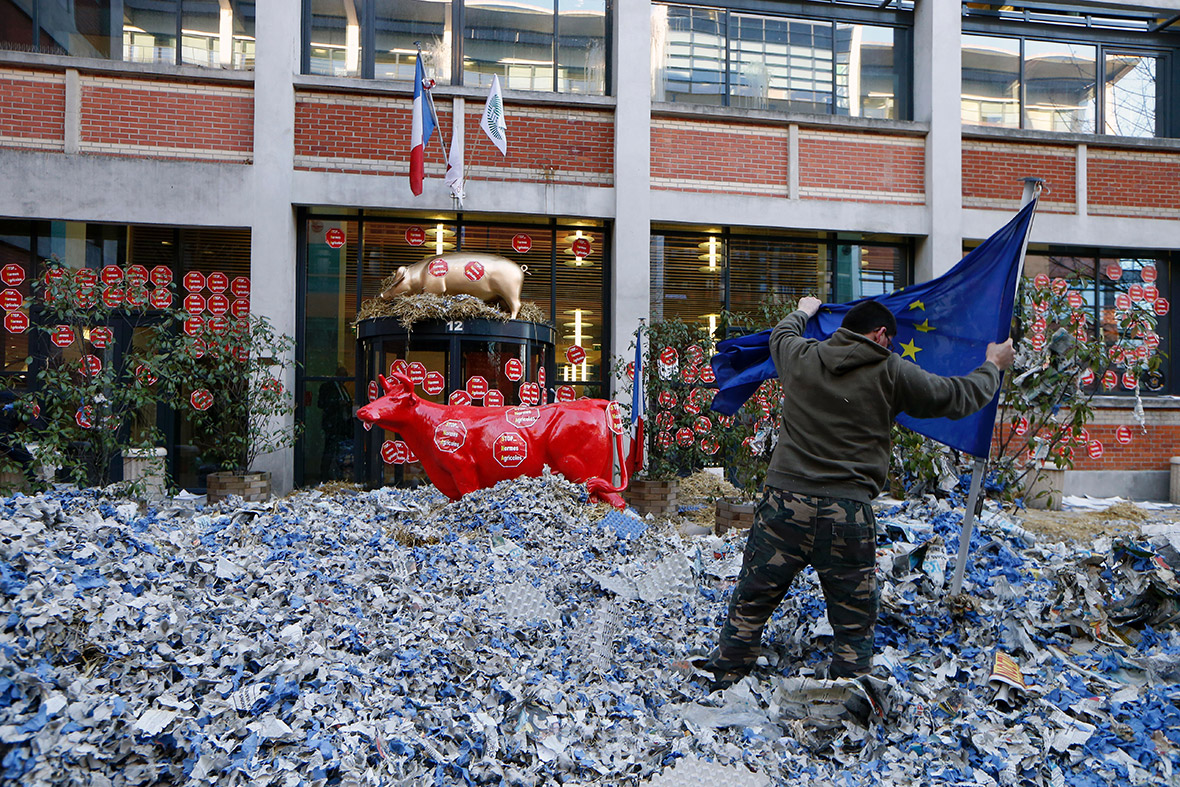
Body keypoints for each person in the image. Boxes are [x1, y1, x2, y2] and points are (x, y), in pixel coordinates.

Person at [699, 296, 1014, 691]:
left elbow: (781, 333)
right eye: (892, 341)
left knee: (754, 595)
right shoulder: (891, 371)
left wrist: (804, 309)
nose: (893, 348)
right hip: (847, 511)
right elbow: (956, 397)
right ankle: (847, 691)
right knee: (854, 615)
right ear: (880, 333)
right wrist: (992, 366)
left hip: (785, 504)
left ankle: (727, 672)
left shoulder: (801, 355)